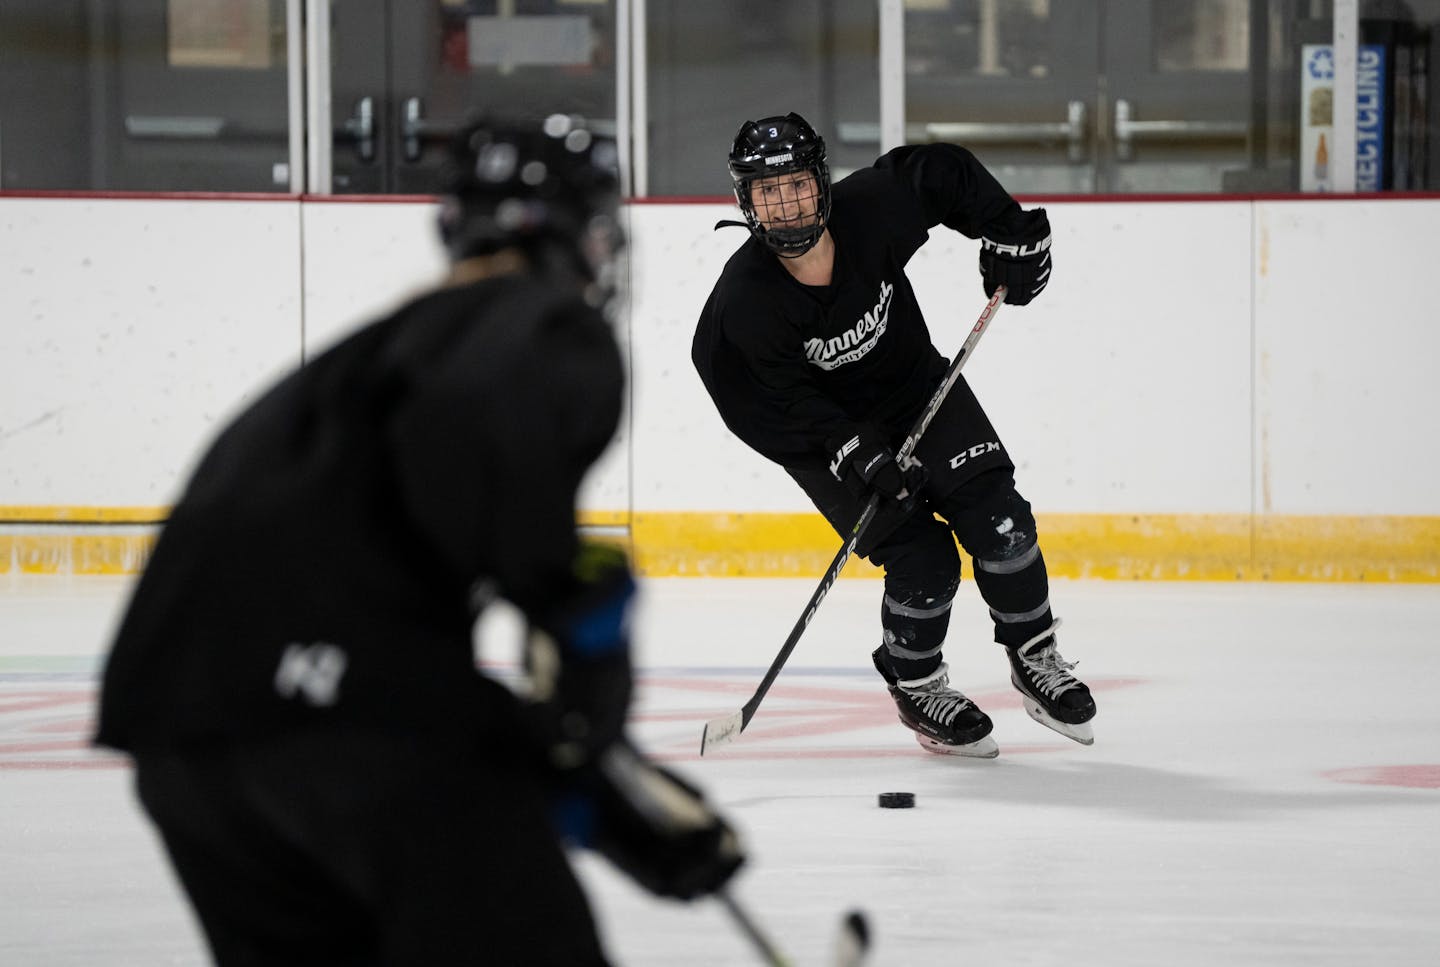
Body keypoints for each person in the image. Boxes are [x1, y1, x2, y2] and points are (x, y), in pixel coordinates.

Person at [95, 115, 743, 967]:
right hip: (326, 714)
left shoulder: (363, 360)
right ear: (587, 234)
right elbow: (483, 467)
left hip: (177, 732)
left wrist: (588, 786)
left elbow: (394, 664)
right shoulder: (544, 325)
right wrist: (578, 613)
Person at [692, 112, 1095, 758]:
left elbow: (942, 173)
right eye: (768, 192)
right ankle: (917, 683)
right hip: (820, 435)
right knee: (922, 559)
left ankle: (1035, 654)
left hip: (915, 388)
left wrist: (1013, 232)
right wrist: (848, 447)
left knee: (1000, 518)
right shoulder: (745, 304)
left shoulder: (868, 211)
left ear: (821, 183)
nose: (786, 205)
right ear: (746, 202)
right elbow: (770, 404)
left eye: (795, 184)